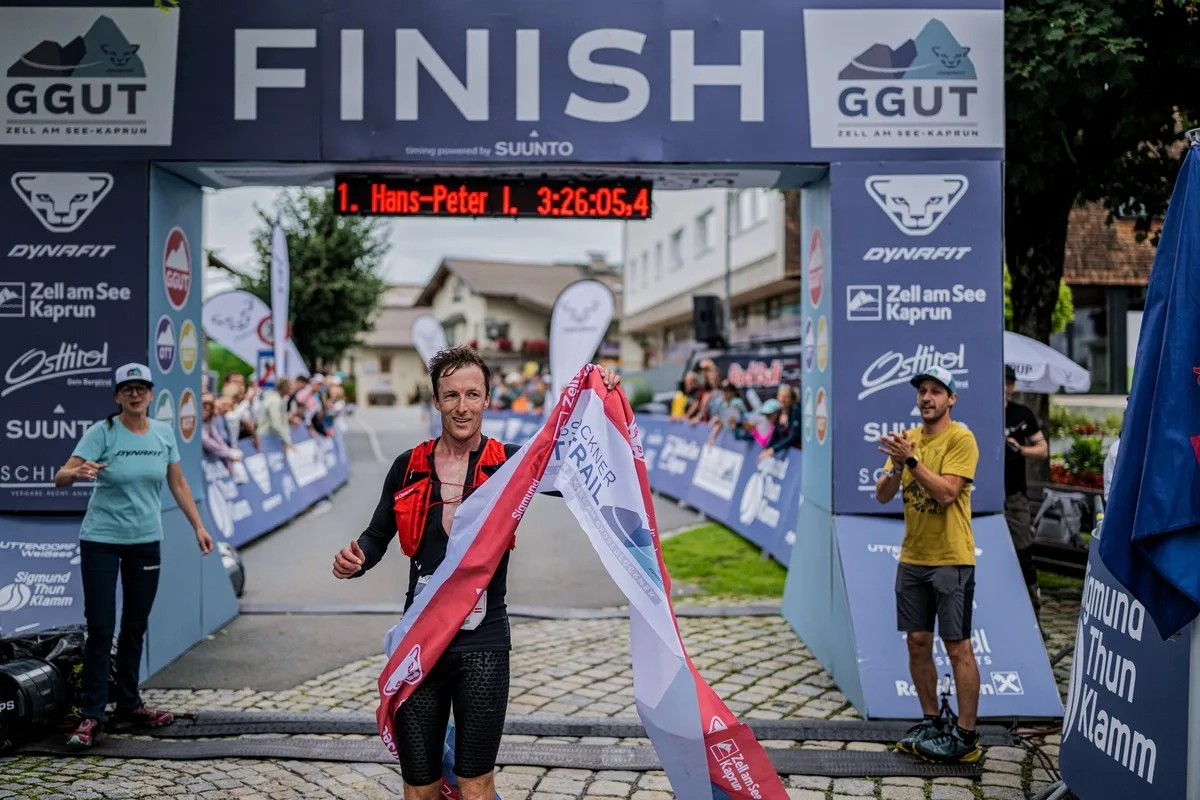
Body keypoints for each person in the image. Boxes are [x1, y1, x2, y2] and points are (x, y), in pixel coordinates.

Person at [330, 346, 620, 800]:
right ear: (436, 401)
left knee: (476, 783)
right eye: (450, 396)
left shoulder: (508, 464)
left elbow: (578, 473)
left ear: (487, 399)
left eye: (472, 395)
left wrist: (597, 395)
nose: (462, 407)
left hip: (483, 642)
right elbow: (376, 535)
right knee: (420, 787)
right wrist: (357, 559)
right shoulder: (408, 466)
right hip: (421, 641)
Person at [53, 363, 215, 749]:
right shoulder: (102, 432)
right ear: (117, 396)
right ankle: (92, 714)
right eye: (128, 388)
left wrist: (198, 526)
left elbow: (177, 482)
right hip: (101, 539)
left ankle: (128, 704)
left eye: (141, 387)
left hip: (145, 540)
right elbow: (61, 474)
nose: (135, 394)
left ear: (149, 394)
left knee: (135, 625)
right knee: (102, 627)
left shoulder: (162, 432)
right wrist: (77, 474)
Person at [873, 365, 981, 763]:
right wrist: (898, 466)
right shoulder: (908, 441)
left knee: (958, 648)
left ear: (951, 398)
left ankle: (966, 737)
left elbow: (949, 493)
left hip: (952, 559)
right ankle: (932, 721)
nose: (927, 397)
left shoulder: (961, 437)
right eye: (923, 391)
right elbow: (883, 495)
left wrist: (913, 463)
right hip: (912, 558)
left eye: (936, 391)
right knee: (918, 644)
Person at [1002, 365, 1049, 619]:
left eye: (1009, 383)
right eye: (1001, 382)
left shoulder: (1022, 413)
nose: (1005, 388)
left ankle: (1033, 613)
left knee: (1023, 551)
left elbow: (1042, 449)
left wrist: (1020, 449)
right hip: (984, 495)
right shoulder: (982, 411)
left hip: (1015, 495)